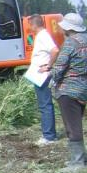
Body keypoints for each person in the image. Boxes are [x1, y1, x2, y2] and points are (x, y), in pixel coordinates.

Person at [50, 12, 87, 170]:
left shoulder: (70, 43)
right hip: (85, 89)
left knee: (72, 126)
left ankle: (77, 163)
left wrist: (49, 72)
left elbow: (59, 69)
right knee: (76, 122)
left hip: (68, 90)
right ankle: (77, 159)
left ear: (68, 28)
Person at [27, 15, 59, 145]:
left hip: (42, 75)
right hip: (38, 74)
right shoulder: (41, 36)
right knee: (44, 104)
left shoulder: (43, 36)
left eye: (30, 25)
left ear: (34, 25)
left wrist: (48, 66)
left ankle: (49, 136)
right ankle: (49, 134)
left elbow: (55, 50)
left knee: (45, 105)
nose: (29, 28)